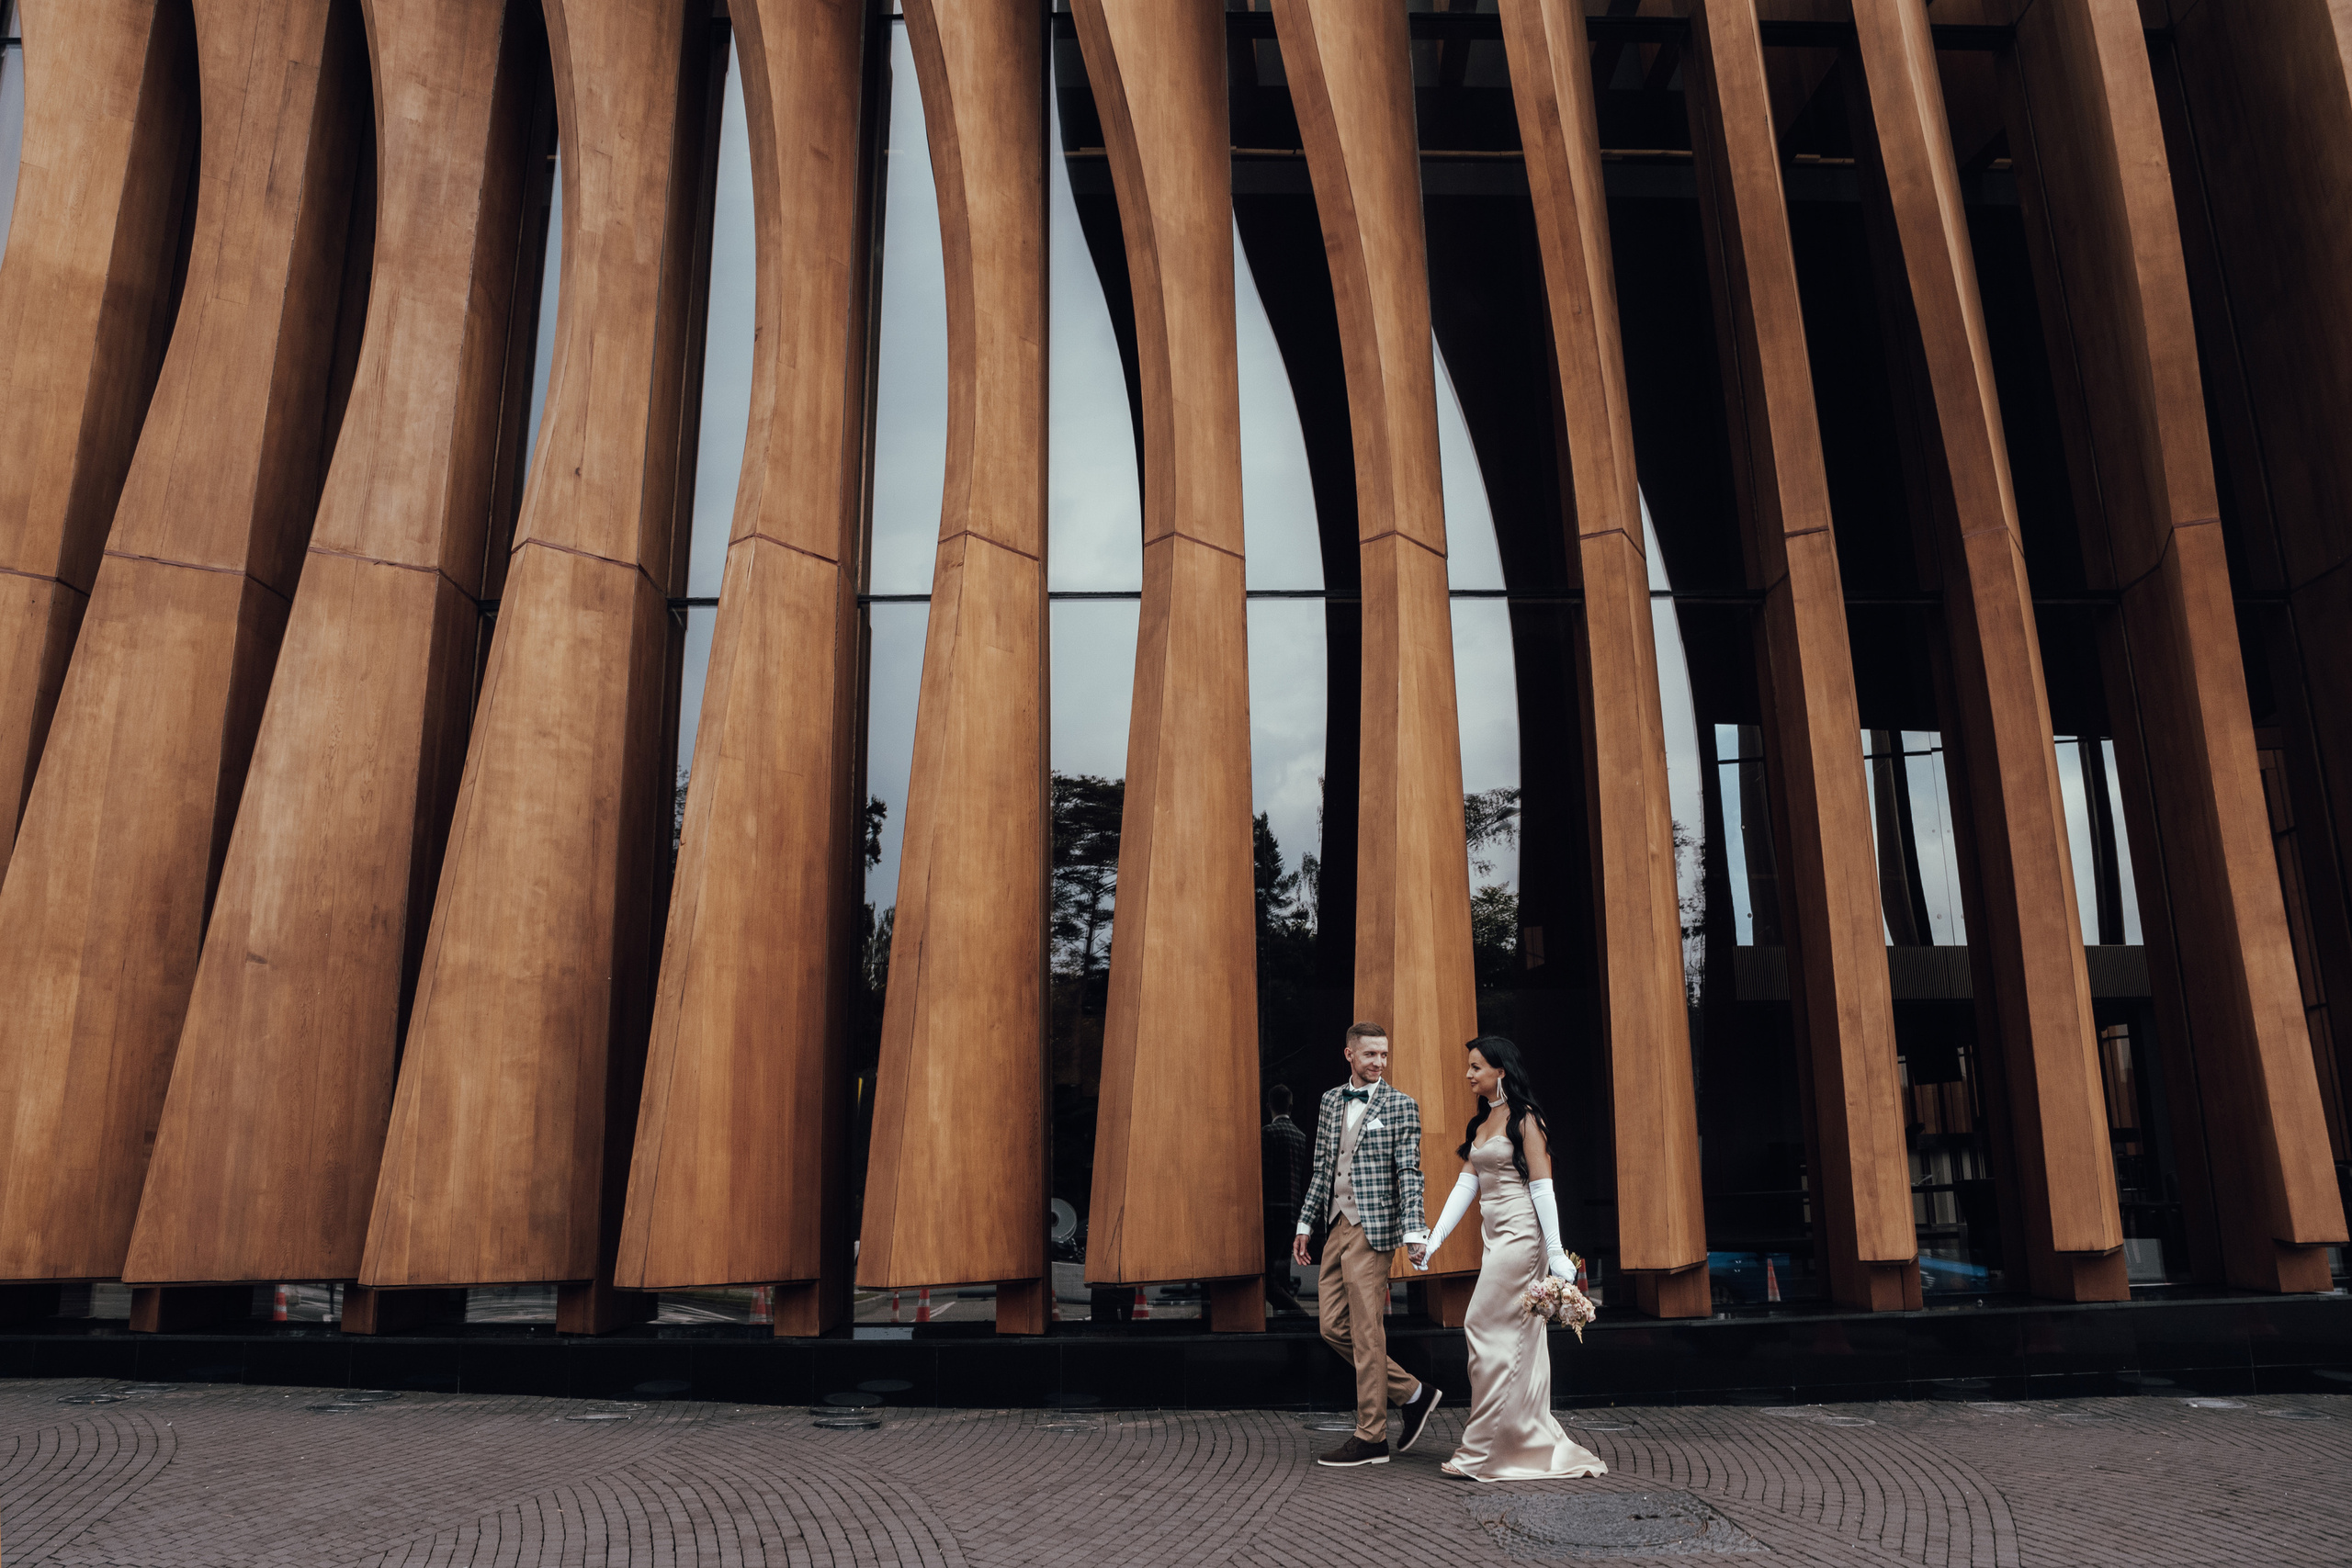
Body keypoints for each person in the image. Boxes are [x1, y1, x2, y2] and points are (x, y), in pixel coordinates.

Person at [1415, 1034, 1607, 1482]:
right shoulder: (1481, 1123)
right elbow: (1466, 1188)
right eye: (1469, 1066)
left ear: (1500, 1071)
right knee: (1497, 1333)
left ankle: (1485, 1450)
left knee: (1480, 1324)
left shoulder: (1527, 1119)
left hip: (1522, 1237)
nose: (1468, 1074)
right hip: (1495, 1237)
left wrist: (1557, 1253)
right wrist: (1433, 1240)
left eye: (1476, 1067)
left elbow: (1542, 1187)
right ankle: (1510, 1440)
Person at [1292, 1021, 1443, 1467]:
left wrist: (1415, 1233)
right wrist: (1305, 1224)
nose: (1379, 1062)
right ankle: (1412, 1393)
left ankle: (1371, 1436)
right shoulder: (1329, 1101)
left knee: (1364, 1329)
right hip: (1336, 1224)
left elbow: (1409, 1174)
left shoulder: (1401, 1106)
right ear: (1349, 1055)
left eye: (1384, 1055)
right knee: (1331, 1326)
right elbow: (1322, 1168)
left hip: (1373, 1228)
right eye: (1370, 1055)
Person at [1261, 1085, 1310, 1314]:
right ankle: (1290, 1323)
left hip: (1272, 1213)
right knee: (1281, 1273)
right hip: (1293, 1214)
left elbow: (1265, 1175)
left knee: (1269, 1280)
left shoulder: (1267, 1134)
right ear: (1291, 1107)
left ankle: (1300, 1319)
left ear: (1268, 1106)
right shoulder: (1300, 1137)